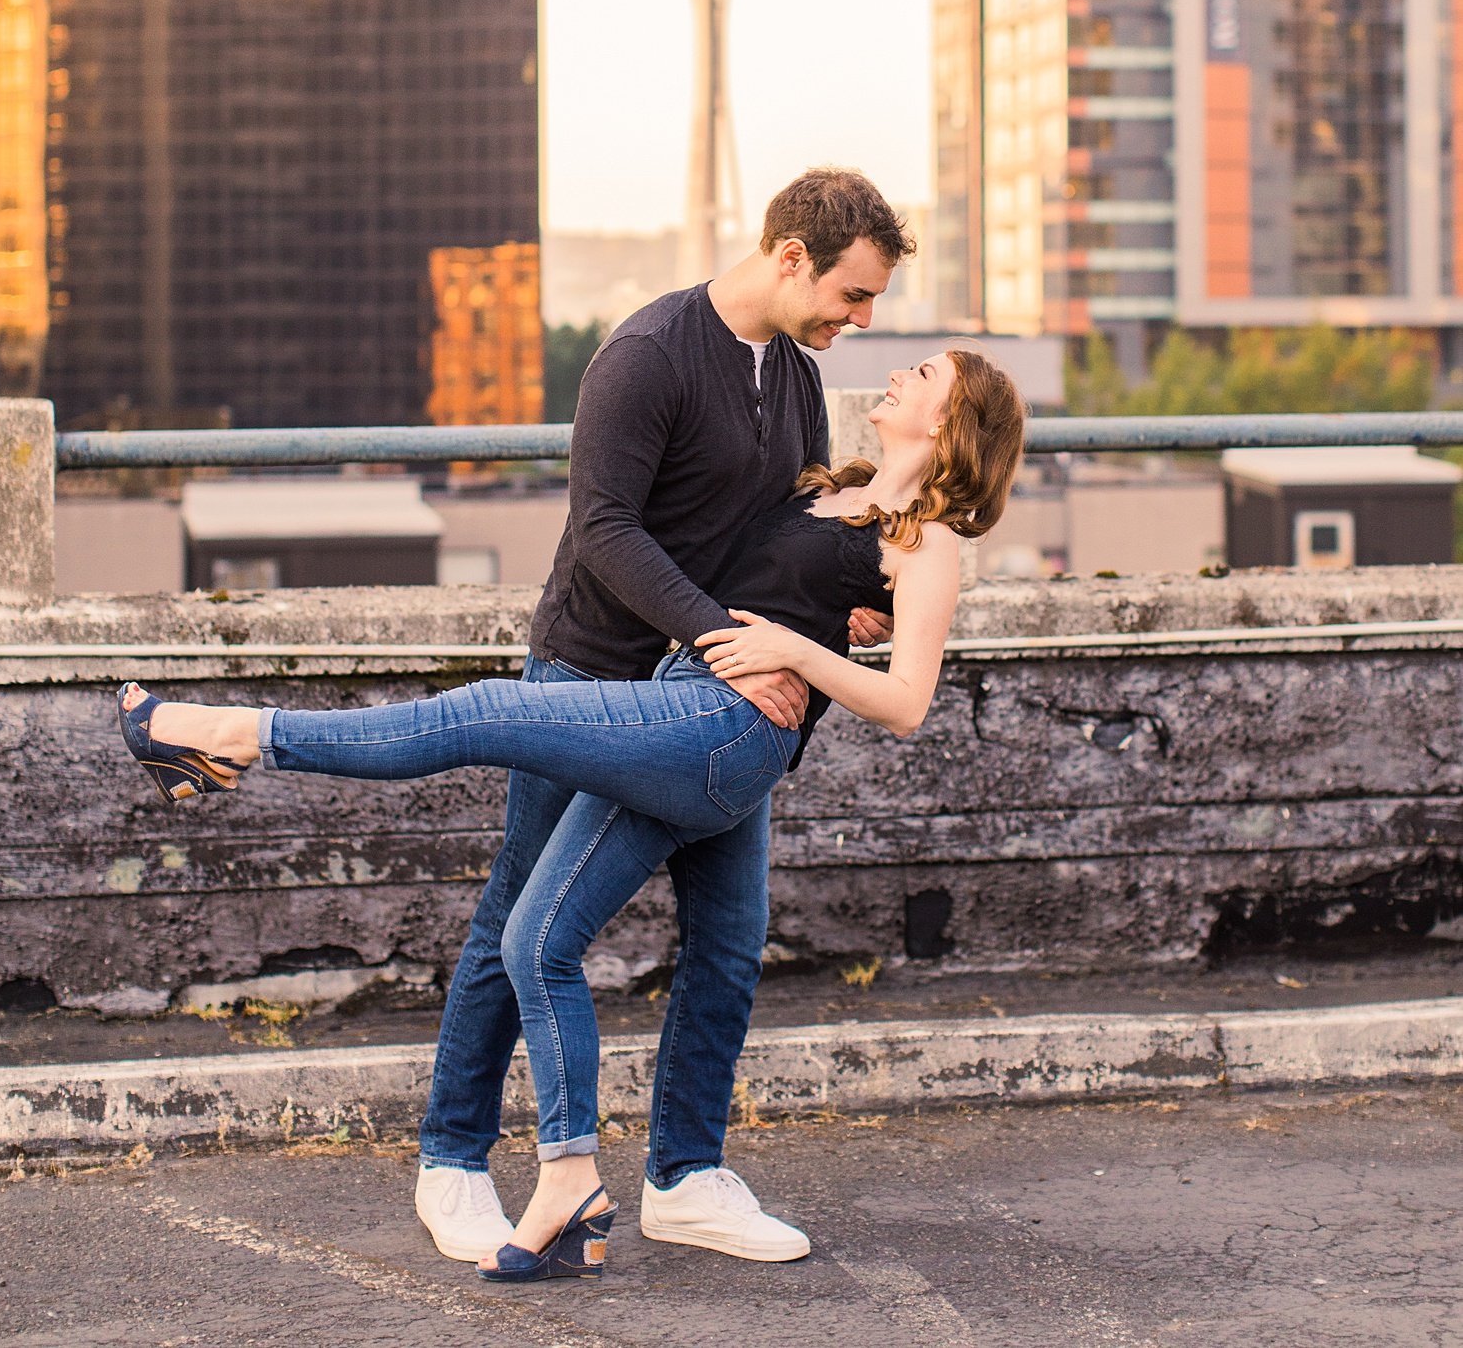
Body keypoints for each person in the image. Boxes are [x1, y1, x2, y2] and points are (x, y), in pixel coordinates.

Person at [119, 344, 1026, 1285]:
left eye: (925, 375)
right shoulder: (824, 491)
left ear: (951, 425)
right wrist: (810, 628)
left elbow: (910, 702)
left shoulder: (924, 544)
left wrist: (798, 650)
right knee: (533, 939)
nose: (898, 373)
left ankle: (228, 734)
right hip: (680, 707)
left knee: (480, 713)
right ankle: (570, 1186)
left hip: (720, 730)